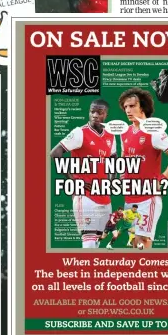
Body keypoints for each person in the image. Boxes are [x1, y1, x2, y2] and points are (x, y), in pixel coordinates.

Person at [118, 87, 168, 249]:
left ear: (143, 107)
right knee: (134, 244)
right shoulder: (124, 133)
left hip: (148, 199)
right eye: (125, 107)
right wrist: (122, 174)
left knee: (142, 242)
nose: (128, 110)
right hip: (129, 199)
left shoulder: (153, 130)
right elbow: (124, 157)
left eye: (132, 106)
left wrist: (163, 178)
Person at [50, 99, 115, 248]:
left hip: (103, 197)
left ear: (106, 114)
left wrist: (111, 182)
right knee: (90, 241)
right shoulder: (80, 133)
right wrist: (73, 181)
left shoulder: (110, 135)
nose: (95, 115)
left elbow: (113, 159)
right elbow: (55, 153)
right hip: (85, 195)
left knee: (98, 241)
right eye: (92, 111)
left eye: (99, 112)